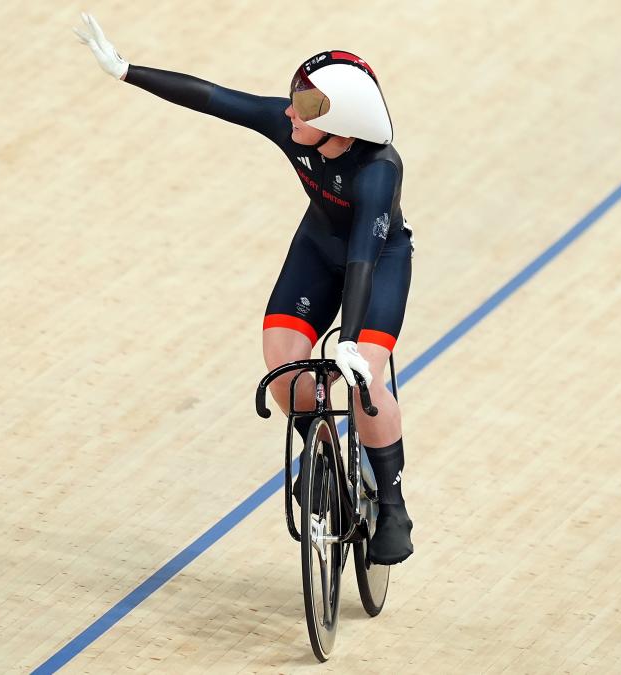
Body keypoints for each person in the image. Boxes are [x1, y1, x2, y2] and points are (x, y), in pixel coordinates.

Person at [75, 13, 414, 564]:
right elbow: (215, 98)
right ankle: (322, 448)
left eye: (305, 106)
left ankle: (393, 504)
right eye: (294, 97)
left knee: (365, 382)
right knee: (282, 370)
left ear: (343, 124)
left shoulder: (378, 171)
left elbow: (362, 260)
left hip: (375, 263)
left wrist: (349, 341)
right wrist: (125, 71)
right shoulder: (292, 128)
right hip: (317, 248)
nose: (288, 111)